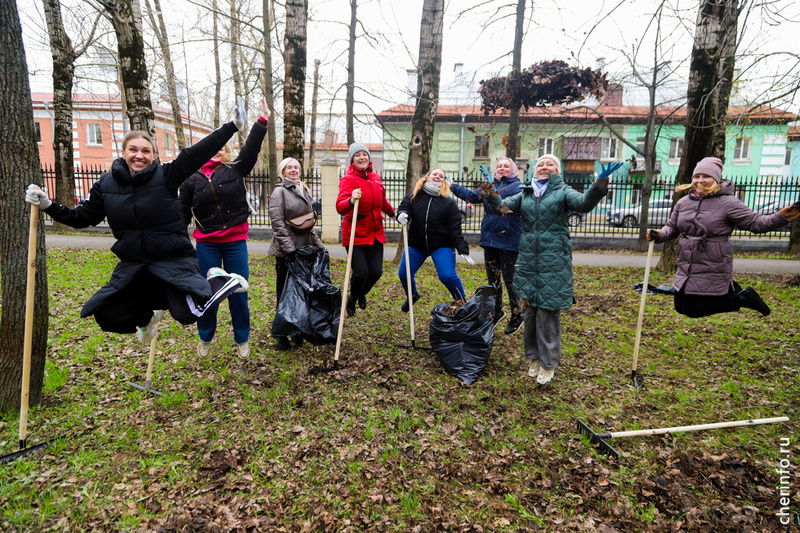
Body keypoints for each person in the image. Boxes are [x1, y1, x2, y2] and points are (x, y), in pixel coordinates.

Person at [24, 99, 250, 344]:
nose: (139, 155)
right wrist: (50, 206)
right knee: (107, 315)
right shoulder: (105, 185)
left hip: (173, 261)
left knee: (187, 315)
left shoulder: (167, 176)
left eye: (145, 151)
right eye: (133, 149)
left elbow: (196, 154)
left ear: (154, 155)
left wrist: (233, 126)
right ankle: (147, 318)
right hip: (135, 267)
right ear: (123, 152)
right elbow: (82, 217)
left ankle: (218, 280)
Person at [487, 154, 618, 385]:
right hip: (528, 260)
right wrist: (491, 191)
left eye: (550, 164)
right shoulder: (526, 193)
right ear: (534, 170)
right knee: (528, 312)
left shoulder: (563, 191)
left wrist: (599, 183)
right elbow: (503, 209)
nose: (545, 167)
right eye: (541, 164)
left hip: (553, 261)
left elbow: (584, 203)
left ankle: (549, 364)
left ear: (558, 170)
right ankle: (534, 358)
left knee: (547, 313)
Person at [648, 156, 800, 318]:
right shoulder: (684, 202)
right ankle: (738, 294)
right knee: (680, 307)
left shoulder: (728, 202)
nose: (700, 180)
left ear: (716, 179)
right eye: (697, 176)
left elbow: (756, 223)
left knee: (692, 309)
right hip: (687, 265)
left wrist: (782, 216)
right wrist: (659, 235)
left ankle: (742, 298)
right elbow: (672, 227)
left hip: (711, 263)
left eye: (706, 176)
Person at [180, 98, 270, 360]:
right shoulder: (190, 179)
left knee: (238, 291)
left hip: (235, 242)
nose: (217, 151)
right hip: (206, 243)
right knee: (207, 292)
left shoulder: (234, 170)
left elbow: (252, 148)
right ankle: (205, 336)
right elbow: (182, 214)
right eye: (212, 147)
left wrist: (261, 120)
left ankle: (242, 338)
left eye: (221, 147)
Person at [451, 157, 523, 335]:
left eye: (506, 166)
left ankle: (517, 314)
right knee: (493, 280)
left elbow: (502, 205)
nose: (502, 169)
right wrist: (453, 186)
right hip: (490, 239)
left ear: (513, 170)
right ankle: (497, 311)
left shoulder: (517, 187)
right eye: (499, 166)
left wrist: (490, 188)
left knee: (510, 280)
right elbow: (472, 196)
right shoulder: (489, 185)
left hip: (509, 240)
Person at [268, 157, 325, 350]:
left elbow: (308, 223)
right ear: (283, 171)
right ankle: (280, 334)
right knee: (284, 292)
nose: (293, 170)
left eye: (296, 167)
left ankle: (296, 329)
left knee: (299, 291)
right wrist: (290, 250)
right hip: (287, 251)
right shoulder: (280, 192)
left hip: (304, 247)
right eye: (289, 167)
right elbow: (277, 224)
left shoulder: (304, 189)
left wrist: (319, 246)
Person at [396, 168, 471, 311]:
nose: (437, 177)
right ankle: (412, 295)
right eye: (434, 174)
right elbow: (404, 207)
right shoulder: (415, 195)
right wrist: (402, 214)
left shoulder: (448, 203)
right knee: (404, 274)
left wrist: (462, 248)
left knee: (447, 276)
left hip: (441, 245)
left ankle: (462, 302)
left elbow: (455, 228)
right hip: (416, 244)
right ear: (427, 177)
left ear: (444, 181)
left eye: (441, 176)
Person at [335, 142, 395, 317]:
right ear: (352, 161)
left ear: (369, 158)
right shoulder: (348, 180)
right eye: (357, 155)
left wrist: (394, 214)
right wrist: (351, 200)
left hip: (375, 233)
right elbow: (340, 207)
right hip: (356, 234)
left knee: (376, 272)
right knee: (361, 273)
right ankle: (352, 296)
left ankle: (361, 293)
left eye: (364, 154)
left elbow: (382, 202)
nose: (362, 157)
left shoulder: (375, 178)